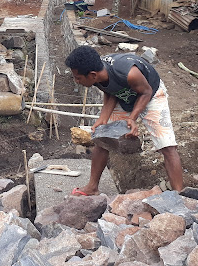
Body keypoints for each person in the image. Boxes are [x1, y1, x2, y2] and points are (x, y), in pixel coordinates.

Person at [64, 46, 183, 195]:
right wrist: (103, 119)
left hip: (150, 94)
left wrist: (132, 118)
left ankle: (179, 196)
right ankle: (92, 187)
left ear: (92, 75)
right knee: (102, 139)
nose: (76, 81)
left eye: (78, 78)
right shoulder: (97, 75)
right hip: (125, 95)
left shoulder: (128, 73)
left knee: (167, 146)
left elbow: (146, 92)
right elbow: (110, 90)